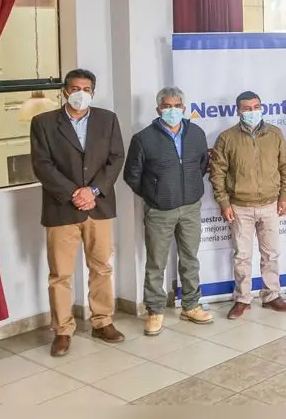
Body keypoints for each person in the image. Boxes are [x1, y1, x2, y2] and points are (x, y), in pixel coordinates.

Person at [30, 69, 126, 356]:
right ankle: (62, 330)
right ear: (65, 91)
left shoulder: (107, 119)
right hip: (61, 208)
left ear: (93, 92)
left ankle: (102, 321)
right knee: (60, 273)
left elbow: (116, 158)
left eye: (86, 89)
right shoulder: (44, 123)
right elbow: (42, 165)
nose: (80, 94)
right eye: (75, 88)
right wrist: (75, 193)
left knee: (101, 267)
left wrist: (92, 191)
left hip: (99, 206)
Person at [124, 86, 214, 336]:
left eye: (176, 106)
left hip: (191, 207)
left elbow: (202, 165)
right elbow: (132, 175)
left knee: (190, 259)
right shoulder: (143, 138)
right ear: (158, 109)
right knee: (156, 263)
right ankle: (155, 311)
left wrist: (189, 188)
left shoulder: (196, 133)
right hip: (159, 211)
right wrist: (154, 194)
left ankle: (191, 305)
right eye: (167, 106)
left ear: (184, 108)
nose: (172, 110)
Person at [209, 91, 286, 320]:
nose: (252, 112)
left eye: (256, 107)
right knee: (242, 256)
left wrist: (284, 196)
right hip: (240, 206)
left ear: (261, 107)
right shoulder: (227, 138)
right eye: (247, 108)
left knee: (271, 254)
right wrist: (224, 202)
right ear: (238, 111)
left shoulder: (275, 134)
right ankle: (242, 299)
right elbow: (217, 173)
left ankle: (271, 295)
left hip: (270, 204)